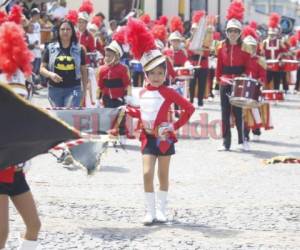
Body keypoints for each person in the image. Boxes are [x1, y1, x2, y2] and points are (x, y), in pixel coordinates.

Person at [125, 18, 195, 225]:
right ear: (145, 74)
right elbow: (143, 113)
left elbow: (189, 109)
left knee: (162, 175)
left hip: (165, 138)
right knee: (147, 173)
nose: (156, 77)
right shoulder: (143, 91)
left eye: (160, 73)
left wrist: (174, 126)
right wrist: (129, 111)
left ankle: (162, 210)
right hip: (147, 138)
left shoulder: (169, 92)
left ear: (165, 73)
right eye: (152, 73)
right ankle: (150, 211)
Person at [215, 0, 251, 151]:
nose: (233, 33)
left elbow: (248, 68)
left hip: (239, 83)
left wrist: (242, 78)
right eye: (230, 31)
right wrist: (218, 81)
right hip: (225, 83)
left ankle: (242, 141)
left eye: (236, 31)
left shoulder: (245, 48)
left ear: (240, 33)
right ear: (227, 32)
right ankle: (225, 142)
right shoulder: (221, 47)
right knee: (224, 113)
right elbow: (219, 67)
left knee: (238, 113)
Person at [40, 19, 88, 108]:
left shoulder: (79, 49)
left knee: (70, 113)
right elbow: (42, 69)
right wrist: (51, 74)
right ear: (58, 31)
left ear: (72, 31)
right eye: (62, 29)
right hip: (54, 89)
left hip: (74, 88)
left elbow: (84, 71)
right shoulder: (50, 48)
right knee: (58, 117)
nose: (65, 31)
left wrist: (84, 90)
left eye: (68, 29)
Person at [97, 30, 130, 136]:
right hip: (107, 97)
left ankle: (122, 134)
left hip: (119, 97)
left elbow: (127, 83)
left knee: (120, 117)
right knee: (108, 116)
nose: (106, 58)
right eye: (105, 55)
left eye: (109, 56)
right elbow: (100, 85)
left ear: (117, 57)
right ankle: (110, 134)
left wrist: (128, 96)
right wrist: (98, 98)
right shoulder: (102, 70)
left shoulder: (123, 69)